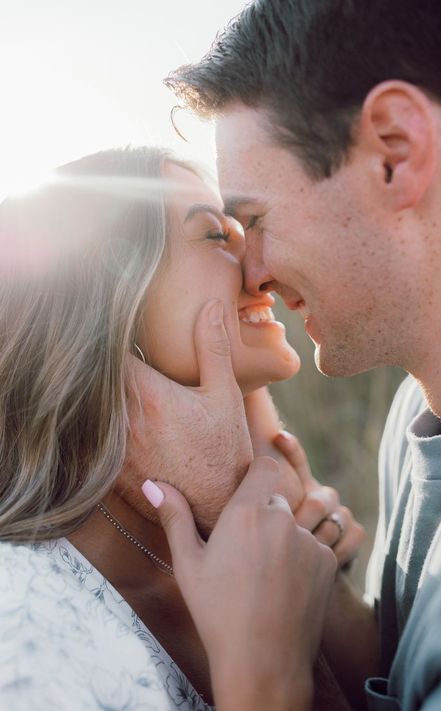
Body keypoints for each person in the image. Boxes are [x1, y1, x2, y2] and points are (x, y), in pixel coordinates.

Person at [150, 0, 441, 709]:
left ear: (395, 151)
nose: (252, 270)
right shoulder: (420, 411)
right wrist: (319, 598)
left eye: (255, 220)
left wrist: (261, 681)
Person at [0, 146, 362, 710]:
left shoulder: (261, 536)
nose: (263, 271)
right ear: (107, 303)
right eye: (217, 236)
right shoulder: (19, 616)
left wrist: (312, 568)